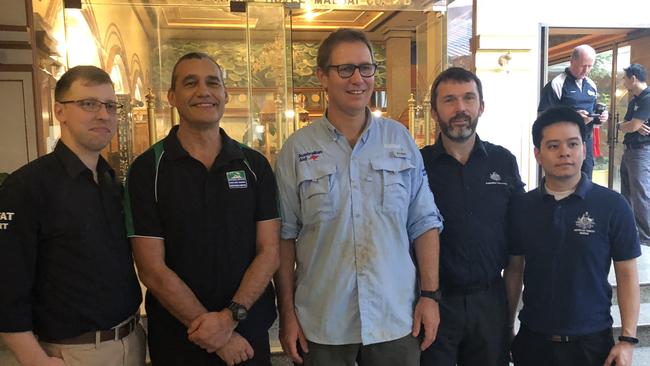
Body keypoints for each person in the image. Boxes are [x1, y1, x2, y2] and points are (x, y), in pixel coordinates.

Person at [274, 28, 444, 366]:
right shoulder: (297, 150)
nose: (358, 79)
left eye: (366, 68)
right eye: (345, 69)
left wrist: (429, 296)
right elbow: (284, 237)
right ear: (322, 76)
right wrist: (287, 313)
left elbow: (424, 222)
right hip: (322, 322)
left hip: (395, 317)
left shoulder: (400, 140)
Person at [125, 52, 280, 366]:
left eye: (213, 83)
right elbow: (151, 269)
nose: (203, 91)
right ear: (172, 97)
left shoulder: (254, 165)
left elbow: (270, 250)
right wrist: (213, 332)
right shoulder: (147, 170)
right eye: (190, 83)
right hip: (180, 335)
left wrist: (230, 319)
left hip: (248, 331)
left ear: (226, 94)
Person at [0, 65, 145, 366]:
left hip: (132, 342)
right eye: (88, 104)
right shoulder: (27, 186)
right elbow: (7, 286)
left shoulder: (111, 180)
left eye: (110, 105)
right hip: (72, 353)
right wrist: (35, 359)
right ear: (59, 111)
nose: (103, 115)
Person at [508, 106, 641, 366]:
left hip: (592, 344)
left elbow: (627, 274)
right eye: (553, 146)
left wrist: (627, 340)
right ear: (538, 154)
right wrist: (505, 327)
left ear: (584, 148)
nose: (564, 153)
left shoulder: (613, 205)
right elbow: (514, 270)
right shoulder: (522, 207)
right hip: (533, 341)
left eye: (572, 144)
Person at [419, 67, 525, 366]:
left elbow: (517, 247)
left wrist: (509, 312)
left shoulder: (504, 161)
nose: (460, 108)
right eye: (449, 100)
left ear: (481, 106)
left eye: (468, 98)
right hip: (434, 300)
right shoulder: (418, 164)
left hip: (489, 299)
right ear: (434, 111)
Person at [538, 44, 609, 179]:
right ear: (572, 61)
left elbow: (594, 113)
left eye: (589, 66)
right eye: (582, 65)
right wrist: (572, 117)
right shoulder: (557, 84)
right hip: (563, 141)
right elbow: (543, 115)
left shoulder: (591, 85)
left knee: (586, 178)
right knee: (564, 178)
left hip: (585, 140)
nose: (586, 70)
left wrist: (600, 117)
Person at [619, 63, 650, 247]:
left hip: (641, 152)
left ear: (633, 78)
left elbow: (632, 126)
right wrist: (628, 126)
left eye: (624, 78)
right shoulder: (634, 100)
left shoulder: (647, 99)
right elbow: (628, 124)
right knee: (627, 192)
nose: (623, 82)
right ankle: (630, 231)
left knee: (640, 193)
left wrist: (628, 126)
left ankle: (646, 237)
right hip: (630, 150)